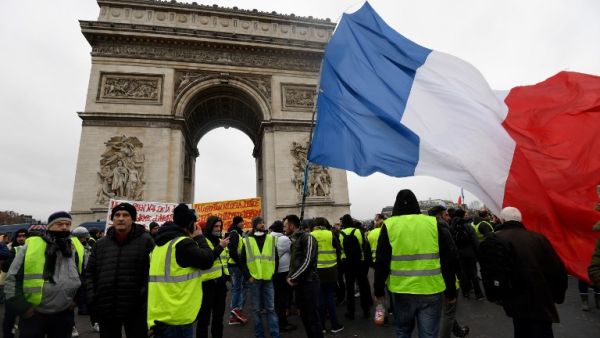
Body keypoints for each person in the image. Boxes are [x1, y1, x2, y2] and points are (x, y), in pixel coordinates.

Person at [374, 190, 459, 338]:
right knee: (428, 334)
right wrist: (450, 290)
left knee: (403, 331)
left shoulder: (389, 225)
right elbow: (447, 259)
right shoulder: (433, 223)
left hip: (402, 290)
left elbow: (382, 262)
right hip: (431, 288)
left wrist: (378, 290)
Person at [5, 211, 84, 338]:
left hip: (64, 314)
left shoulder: (74, 247)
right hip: (34, 314)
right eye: (59, 224)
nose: (64, 227)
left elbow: (82, 275)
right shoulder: (31, 245)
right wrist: (24, 309)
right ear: (49, 226)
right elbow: (12, 278)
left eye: (67, 224)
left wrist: (76, 300)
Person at [493, 207, 568, 338]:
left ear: (502, 220)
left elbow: (495, 272)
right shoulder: (539, 238)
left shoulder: (496, 239)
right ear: (520, 220)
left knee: (521, 330)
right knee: (543, 331)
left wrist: (498, 296)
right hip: (541, 298)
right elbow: (557, 269)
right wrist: (557, 295)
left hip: (516, 300)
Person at [84, 202, 155, 338]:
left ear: (133, 219)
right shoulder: (100, 244)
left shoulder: (147, 241)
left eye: (126, 215)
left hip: (136, 308)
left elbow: (153, 274)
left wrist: (143, 297)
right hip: (107, 306)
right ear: (112, 219)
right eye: (117, 215)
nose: (121, 218)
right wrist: (93, 297)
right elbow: (89, 273)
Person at [147, 204, 214, 338]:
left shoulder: (158, 245)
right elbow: (207, 261)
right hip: (178, 315)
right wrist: (199, 237)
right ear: (191, 224)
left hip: (159, 312)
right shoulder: (183, 244)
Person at [428, 205, 469, 338]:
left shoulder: (426, 230)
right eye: (446, 215)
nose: (449, 217)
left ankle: (458, 331)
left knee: (445, 310)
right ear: (439, 215)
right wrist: (460, 273)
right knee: (449, 312)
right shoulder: (443, 228)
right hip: (447, 276)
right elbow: (452, 254)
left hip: (431, 277)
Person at [240, 217, 280, 338]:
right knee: (256, 310)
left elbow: (276, 258)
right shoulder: (247, 241)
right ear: (254, 225)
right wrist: (248, 277)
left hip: (268, 279)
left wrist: (273, 273)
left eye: (263, 222)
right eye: (259, 223)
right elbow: (242, 261)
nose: (263, 224)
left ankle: (275, 335)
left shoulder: (271, 239)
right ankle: (259, 335)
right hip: (254, 279)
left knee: (271, 308)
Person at [285, 214, 323, 338]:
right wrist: (290, 276)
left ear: (291, 225)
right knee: (305, 317)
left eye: (285, 226)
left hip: (310, 283)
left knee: (313, 318)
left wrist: (293, 277)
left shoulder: (308, 238)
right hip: (300, 284)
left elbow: (308, 261)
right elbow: (294, 263)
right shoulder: (294, 240)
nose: (284, 228)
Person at [196, 216, 230, 338]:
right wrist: (221, 247)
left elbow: (224, 262)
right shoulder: (202, 241)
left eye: (220, 226)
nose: (218, 228)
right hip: (206, 285)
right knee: (204, 320)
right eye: (216, 226)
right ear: (210, 227)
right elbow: (208, 260)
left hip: (220, 285)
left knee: (218, 318)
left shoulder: (220, 239)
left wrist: (227, 277)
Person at [310, 217, 344, 333]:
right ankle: (335, 325)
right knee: (330, 298)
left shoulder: (311, 235)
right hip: (331, 270)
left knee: (319, 299)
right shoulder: (330, 234)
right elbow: (339, 250)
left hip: (316, 271)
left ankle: (322, 327)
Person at [339, 214, 372, 319]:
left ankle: (351, 312)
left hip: (347, 262)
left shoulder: (340, 233)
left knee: (349, 287)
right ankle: (366, 310)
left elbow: (341, 248)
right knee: (363, 286)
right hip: (359, 261)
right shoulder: (358, 231)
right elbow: (363, 245)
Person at [269, 220, 297, 332]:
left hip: (272, 272)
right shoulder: (284, 239)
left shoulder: (269, 237)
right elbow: (293, 249)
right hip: (283, 272)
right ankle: (282, 323)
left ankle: (275, 321)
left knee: (276, 298)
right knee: (283, 299)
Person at [451, 208, 484, 299]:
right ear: (462, 216)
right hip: (470, 253)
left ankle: (466, 292)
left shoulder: (452, 227)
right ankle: (478, 294)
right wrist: (478, 253)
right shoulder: (468, 226)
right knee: (473, 273)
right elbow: (475, 241)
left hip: (459, 254)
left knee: (463, 274)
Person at [1, 228, 28, 338]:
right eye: (19, 236)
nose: (21, 238)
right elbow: (5, 267)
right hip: (12, 288)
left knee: (26, 317)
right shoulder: (11, 249)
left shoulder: (32, 249)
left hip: (26, 287)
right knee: (10, 316)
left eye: (24, 236)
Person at [226, 216, 249, 325]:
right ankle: (235, 312)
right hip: (236, 266)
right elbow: (233, 252)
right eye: (241, 222)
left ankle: (235, 313)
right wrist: (241, 263)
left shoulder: (234, 232)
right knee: (238, 289)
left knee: (237, 289)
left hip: (234, 265)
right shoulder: (235, 233)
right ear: (237, 223)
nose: (243, 223)